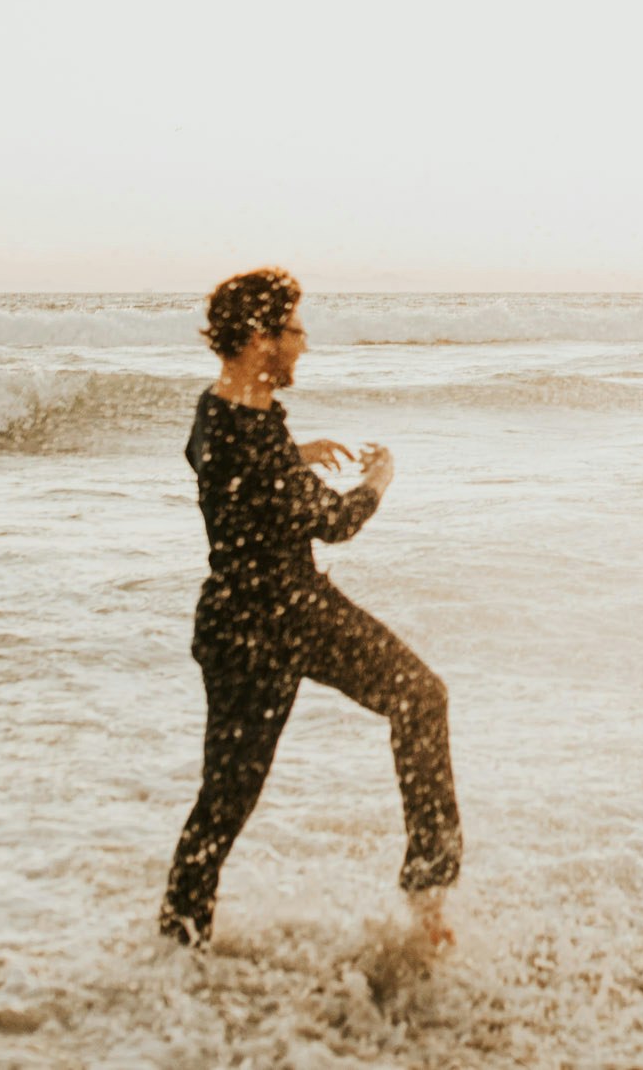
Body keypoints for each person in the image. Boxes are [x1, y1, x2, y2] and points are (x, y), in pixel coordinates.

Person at [159, 268, 461, 949]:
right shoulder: (253, 436)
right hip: (285, 615)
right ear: (260, 338)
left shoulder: (222, 409)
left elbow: (209, 458)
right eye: (294, 329)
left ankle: (177, 945)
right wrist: (380, 479)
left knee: (222, 801)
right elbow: (337, 519)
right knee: (420, 698)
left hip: (237, 621)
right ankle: (429, 896)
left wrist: (293, 458)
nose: (304, 343)